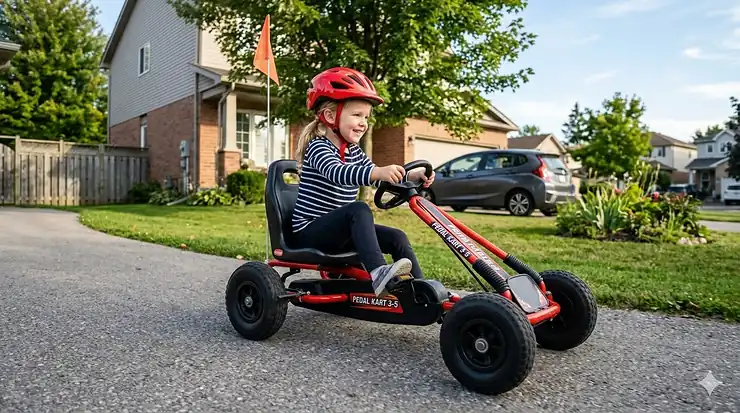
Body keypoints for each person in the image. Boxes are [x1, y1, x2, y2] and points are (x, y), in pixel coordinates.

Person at [289, 67, 435, 297]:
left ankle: (421, 293)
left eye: (366, 117)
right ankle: (379, 274)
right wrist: (377, 172)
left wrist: (410, 177)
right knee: (357, 209)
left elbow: (373, 174)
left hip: (340, 234)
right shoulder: (318, 147)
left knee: (397, 237)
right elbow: (336, 172)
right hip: (310, 232)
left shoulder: (354, 151)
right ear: (329, 117)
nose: (363, 123)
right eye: (357, 115)